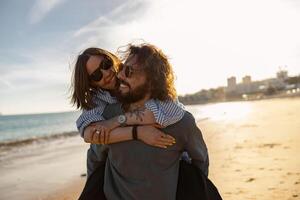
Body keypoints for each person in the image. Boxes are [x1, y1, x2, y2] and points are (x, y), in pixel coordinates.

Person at [83, 43, 209, 200]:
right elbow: (95, 158)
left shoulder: (180, 121)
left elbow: (200, 161)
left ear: (152, 79)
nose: (119, 75)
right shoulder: (105, 116)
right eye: (122, 68)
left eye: (128, 71)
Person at [71, 47, 186, 177]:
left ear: (111, 59)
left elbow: (171, 110)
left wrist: (115, 122)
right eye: (97, 75)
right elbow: (91, 134)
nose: (106, 73)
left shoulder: (134, 71)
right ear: (91, 84)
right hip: (102, 164)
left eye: (106, 64)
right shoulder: (97, 99)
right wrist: (138, 132)